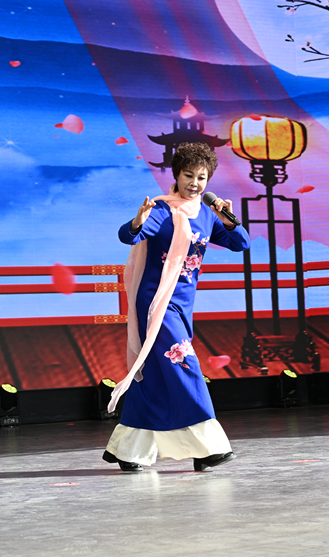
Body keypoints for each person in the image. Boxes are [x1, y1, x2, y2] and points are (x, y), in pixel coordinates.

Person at [102, 142, 251, 472]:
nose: (194, 183)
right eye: (188, 175)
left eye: (201, 177)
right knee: (184, 364)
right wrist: (138, 221)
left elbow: (241, 243)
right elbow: (129, 236)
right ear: (176, 175)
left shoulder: (207, 215)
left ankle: (128, 451)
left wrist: (228, 219)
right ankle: (207, 447)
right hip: (156, 302)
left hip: (183, 304)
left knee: (153, 377)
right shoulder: (162, 210)